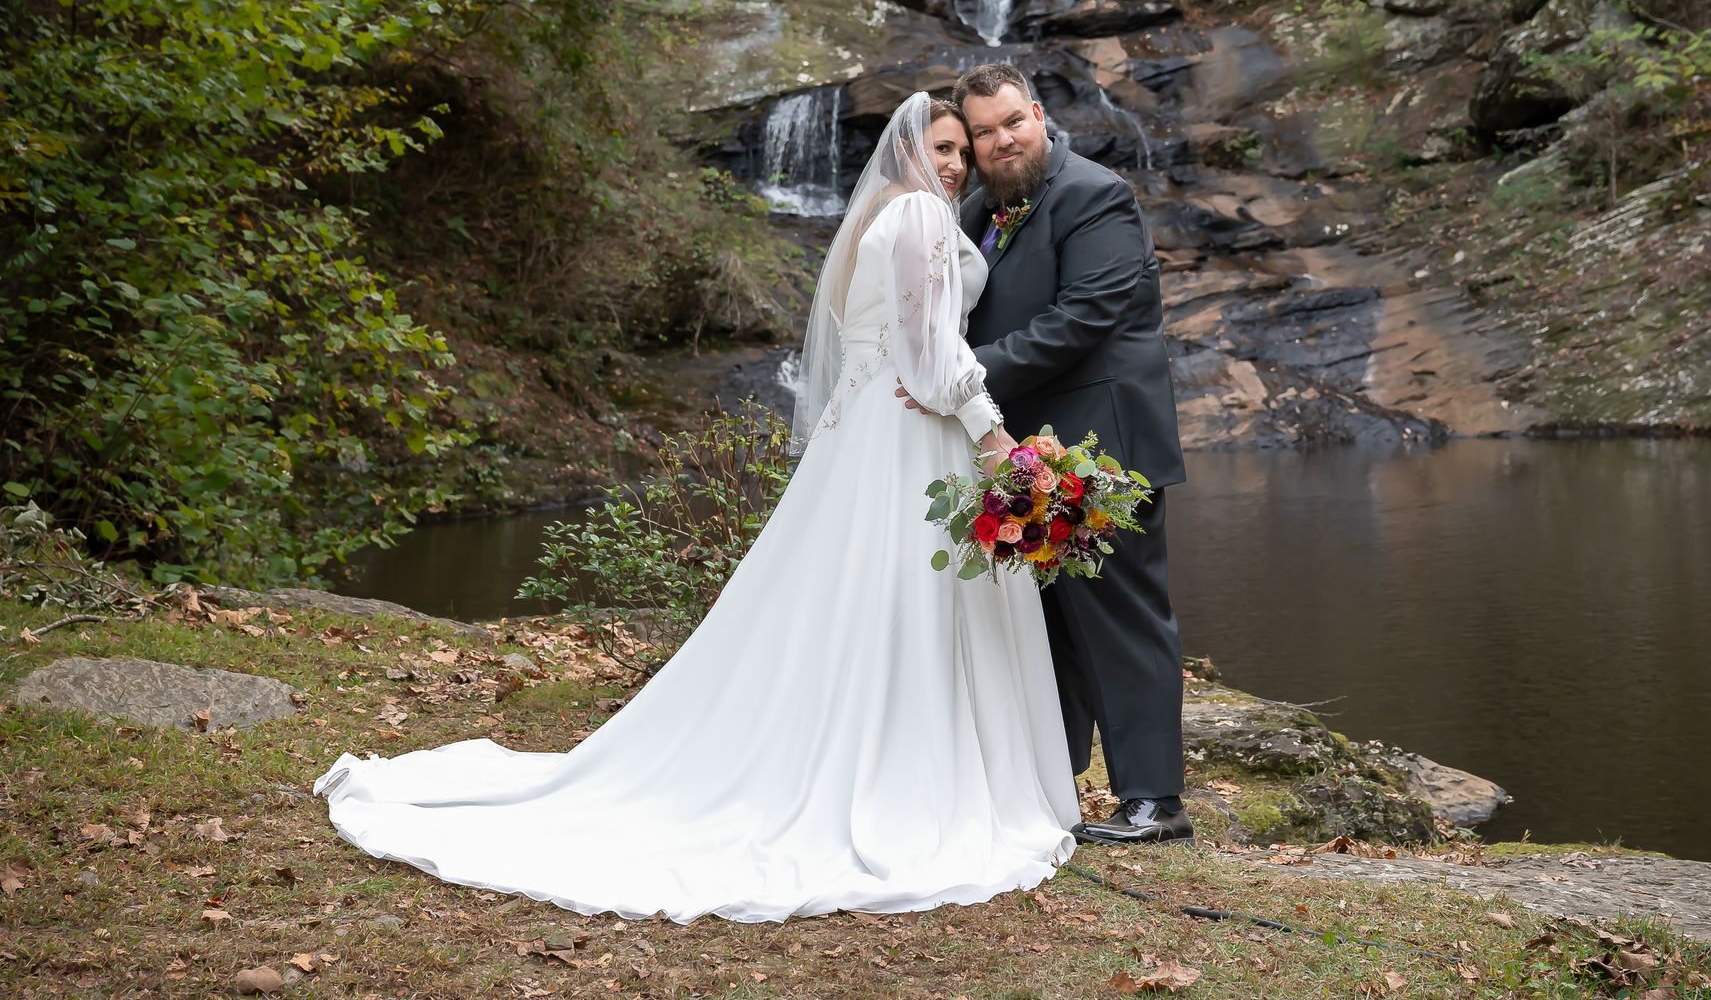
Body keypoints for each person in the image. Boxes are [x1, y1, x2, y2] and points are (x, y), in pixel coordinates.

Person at [313, 92, 1079, 922]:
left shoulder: (871, 221)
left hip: (860, 431)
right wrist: (994, 434)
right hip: (910, 431)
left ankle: (849, 752)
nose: (958, 161)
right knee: (903, 603)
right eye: (943, 145)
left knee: (852, 604)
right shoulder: (924, 217)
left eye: (965, 148)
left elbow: (865, 339)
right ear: (905, 150)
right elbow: (933, 352)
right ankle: (912, 774)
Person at [909, 62, 1190, 845]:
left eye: (1011, 123)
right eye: (983, 133)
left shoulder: (1094, 194)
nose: (1000, 142)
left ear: (1038, 113)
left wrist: (959, 375)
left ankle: (1154, 801)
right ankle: (1050, 787)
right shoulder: (976, 214)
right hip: (1021, 456)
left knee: (1123, 622)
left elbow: (1083, 317)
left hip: (1105, 455)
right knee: (1050, 632)